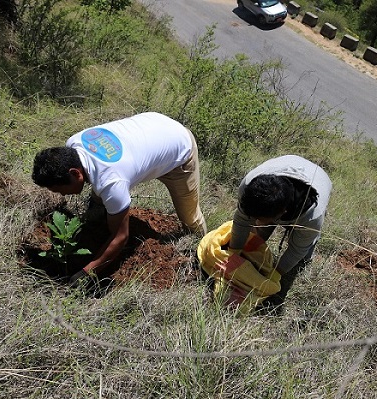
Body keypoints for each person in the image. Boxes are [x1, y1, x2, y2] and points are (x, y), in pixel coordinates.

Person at [32, 112, 208, 282]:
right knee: (101, 199)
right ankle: (96, 221)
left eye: (60, 189)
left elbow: (121, 237)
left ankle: (203, 253)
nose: (62, 194)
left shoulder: (112, 183)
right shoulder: (74, 143)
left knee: (190, 217)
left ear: (75, 173)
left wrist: (86, 273)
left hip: (179, 151)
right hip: (154, 126)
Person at [227, 155, 332, 311]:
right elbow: (242, 221)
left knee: (304, 252)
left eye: (259, 218)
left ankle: (301, 264)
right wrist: (234, 252)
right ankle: (254, 251)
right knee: (257, 235)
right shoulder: (249, 189)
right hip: (287, 162)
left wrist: (274, 275)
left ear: (282, 213)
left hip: (318, 178)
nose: (254, 222)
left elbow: (297, 249)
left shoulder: (312, 216)